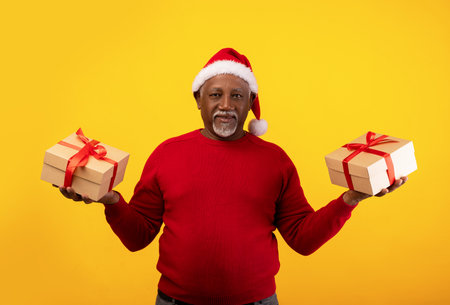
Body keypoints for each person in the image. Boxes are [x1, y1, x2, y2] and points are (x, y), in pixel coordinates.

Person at [56, 48, 408, 305]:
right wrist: (109, 198)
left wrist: (351, 198)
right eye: (216, 95)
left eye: (236, 96)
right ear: (198, 99)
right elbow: (138, 236)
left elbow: (302, 239)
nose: (226, 105)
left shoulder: (275, 161)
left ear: (250, 102)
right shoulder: (167, 154)